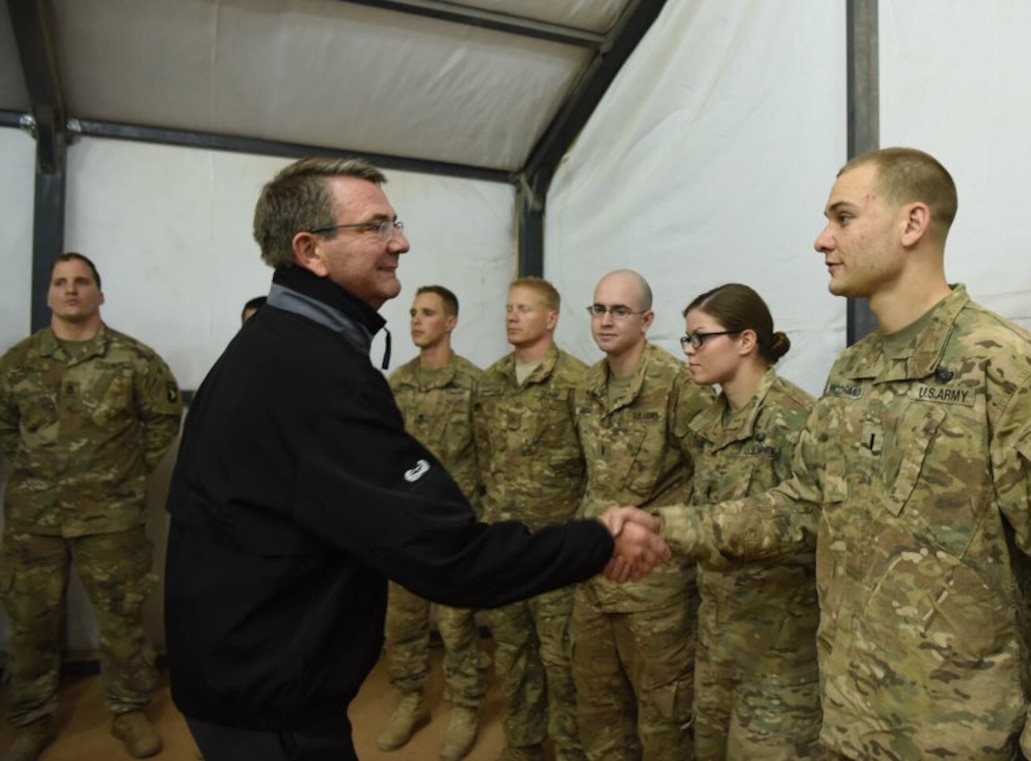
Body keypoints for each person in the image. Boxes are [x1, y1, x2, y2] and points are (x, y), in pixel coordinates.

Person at [629, 147, 1031, 761]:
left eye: (843, 218)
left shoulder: (1003, 367)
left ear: (912, 224)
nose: (823, 239)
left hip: (955, 739)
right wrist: (666, 526)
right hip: (846, 725)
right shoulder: (855, 371)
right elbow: (801, 507)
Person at [163, 157, 670, 761]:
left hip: (241, 672)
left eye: (394, 223)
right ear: (311, 250)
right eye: (376, 227)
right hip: (267, 697)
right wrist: (598, 542)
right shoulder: (314, 373)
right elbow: (450, 556)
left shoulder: (274, 344)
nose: (400, 241)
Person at [0, 253, 182, 761]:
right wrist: (42, 473)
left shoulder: (134, 360)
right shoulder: (17, 363)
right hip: (33, 521)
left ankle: (129, 711)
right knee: (31, 620)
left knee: (122, 620)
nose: (71, 290)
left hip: (111, 518)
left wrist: (122, 472)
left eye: (82, 282)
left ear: (100, 293)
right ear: (49, 295)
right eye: (60, 283)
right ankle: (31, 719)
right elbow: (3, 427)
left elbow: (163, 420)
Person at [665, 283, 821, 760]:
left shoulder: (796, 420)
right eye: (686, 340)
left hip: (780, 653)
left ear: (746, 341)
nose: (689, 352)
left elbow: (813, 524)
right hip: (718, 642)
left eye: (700, 338)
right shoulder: (710, 425)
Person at [571, 269, 713, 761]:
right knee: (598, 710)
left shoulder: (679, 385)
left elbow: (710, 476)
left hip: (656, 585)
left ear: (647, 319)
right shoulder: (586, 386)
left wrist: (670, 539)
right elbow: (587, 477)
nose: (606, 321)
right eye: (598, 309)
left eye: (620, 311)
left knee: (665, 720)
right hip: (595, 578)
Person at [472, 277, 592, 761]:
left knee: (563, 662)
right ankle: (523, 744)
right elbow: (484, 459)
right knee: (513, 654)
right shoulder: (489, 382)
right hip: (504, 548)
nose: (512, 316)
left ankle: (570, 749)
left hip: (556, 551)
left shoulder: (578, 383)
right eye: (508, 308)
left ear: (552, 318)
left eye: (523, 308)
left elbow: (592, 466)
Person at [377, 285, 488, 758]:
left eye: (427, 313)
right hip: (405, 531)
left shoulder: (475, 385)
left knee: (458, 625)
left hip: (456, 532)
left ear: (451, 322)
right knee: (401, 624)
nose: (416, 321)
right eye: (413, 313)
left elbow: (490, 458)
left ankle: (465, 705)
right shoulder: (396, 385)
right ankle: (411, 699)